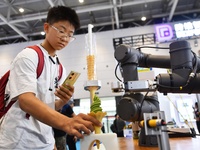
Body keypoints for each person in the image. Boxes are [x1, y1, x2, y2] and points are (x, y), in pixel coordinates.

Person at [0, 6, 101, 150]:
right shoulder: (29, 55)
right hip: (18, 140)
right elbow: (26, 101)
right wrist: (67, 122)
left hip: (44, 141)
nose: (65, 38)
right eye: (61, 30)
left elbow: (47, 107)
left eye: (70, 35)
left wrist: (62, 102)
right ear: (46, 27)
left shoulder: (60, 69)